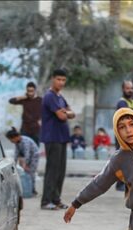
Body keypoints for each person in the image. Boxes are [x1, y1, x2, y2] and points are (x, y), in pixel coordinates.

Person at [40, 69, 75, 210]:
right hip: (52, 137)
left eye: (63, 80)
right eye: (58, 79)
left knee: (60, 171)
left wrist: (66, 112)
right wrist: (66, 113)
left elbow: (71, 113)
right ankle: (46, 201)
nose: (61, 82)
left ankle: (56, 199)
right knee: (52, 170)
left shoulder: (60, 97)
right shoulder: (50, 96)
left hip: (62, 138)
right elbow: (62, 116)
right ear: (52, 79)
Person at [6, 128, 40, 196]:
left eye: (11, 139)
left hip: (34, 157)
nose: (11, 141)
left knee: (31, 173)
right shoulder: (17, 142)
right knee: (26, 173)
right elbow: (16, 153)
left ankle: (32, 190)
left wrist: (26, 165)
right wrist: (14, 164)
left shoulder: (25, 141)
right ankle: (27, 189)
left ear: (16, 137)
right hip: (27, 157)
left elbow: (27, 154)